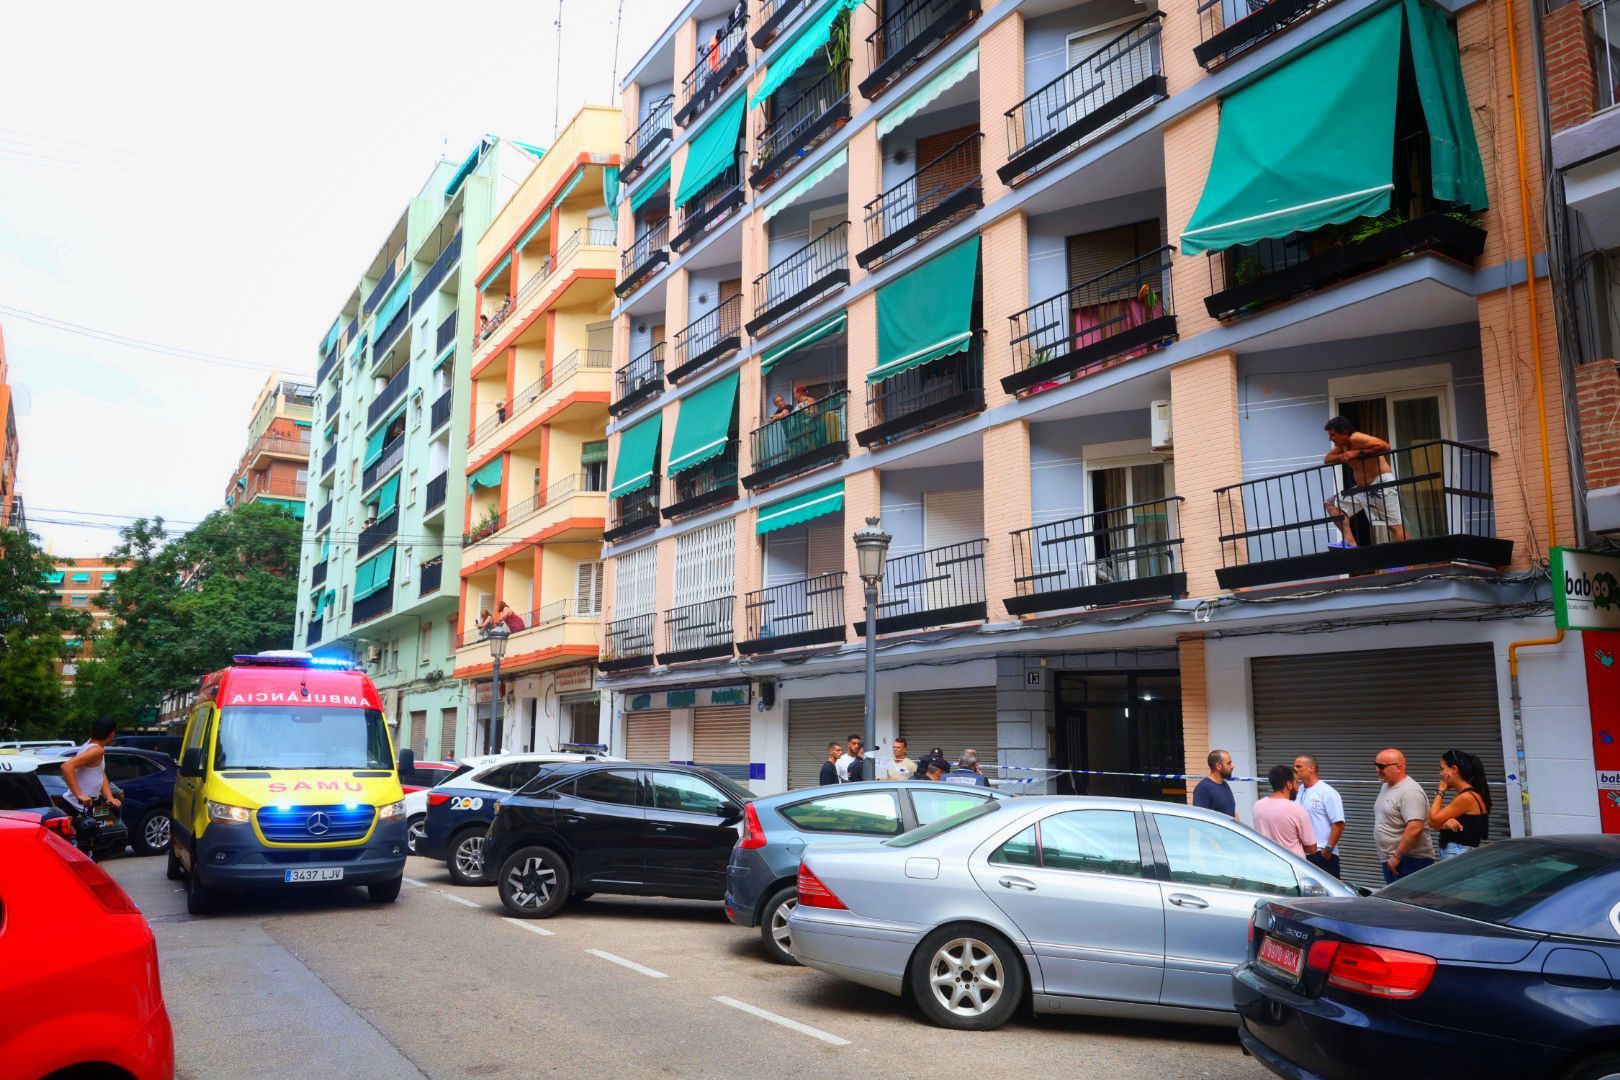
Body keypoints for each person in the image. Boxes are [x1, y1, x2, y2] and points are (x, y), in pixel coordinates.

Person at [1322, 415, 1408, 548]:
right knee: (1332, 504)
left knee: (1395, 527)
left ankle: (1406, 565)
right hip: (1362, 489)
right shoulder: (1343, 446)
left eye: (1332, 435)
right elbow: (1327, 459)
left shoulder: (1356, 438)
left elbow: (1385, 446)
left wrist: (1357, 452)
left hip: (1380, 484)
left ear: (1344, 432)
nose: (1330, 438)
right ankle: (1349, 541)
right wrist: (1343, 455)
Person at [1374, 748, 1437, 882]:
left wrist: (1397, 856)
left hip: (1410, 861)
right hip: (1394, 860)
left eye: (1381, 766)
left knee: (1407, 901)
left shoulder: (1410, 791)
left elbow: (1415, 827)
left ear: (1398, 767)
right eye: (1376, 765)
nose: (1377, 770)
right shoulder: (1387, 786)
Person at [61, 717, 121, 854]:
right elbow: (66, 767)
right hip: (75, 808)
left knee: (87, 851)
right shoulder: (96, 750)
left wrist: (109, 797)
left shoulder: (92, 745)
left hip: (81, 808)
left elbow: (100, 773)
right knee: (79, 854)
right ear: (112, 734)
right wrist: (79, 794)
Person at [1428, 749, 1491, 860]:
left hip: (1456, 852)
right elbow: (1433, 823)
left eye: (1442, 769)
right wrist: (1444, 824)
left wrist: (1441, 790)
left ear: (1453, 769)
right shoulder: (1469, 795)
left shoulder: (1466, 797)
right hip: (1459, 851)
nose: (1440, 773)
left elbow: (1432, 819)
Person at [1293, 754, 1346, 878]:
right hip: (1301, 854)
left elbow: (1339, 823)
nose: (1295, 769)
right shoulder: (1299, 790)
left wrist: (1327, 850)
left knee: (1328, 896)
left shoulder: (1327, 792)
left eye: (1298, 766)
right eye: (1294, 766)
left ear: (1311, 768)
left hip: (1321, 853)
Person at [1252, 765, 1317, 858]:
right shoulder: (1297, 810)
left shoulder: (1257, 806)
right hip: (1293, 866)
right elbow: (1312, 848)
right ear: (1289, 784)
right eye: (1296, 782)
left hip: (1268, 863)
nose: (1298, 787)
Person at [1192, 749, 1238, 819]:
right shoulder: (1203, 788)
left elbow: (1232, 811)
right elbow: (1200, 819)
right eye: (1229, 763)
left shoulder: (1224, 784)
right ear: (1218, 766)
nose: (1232, 766)